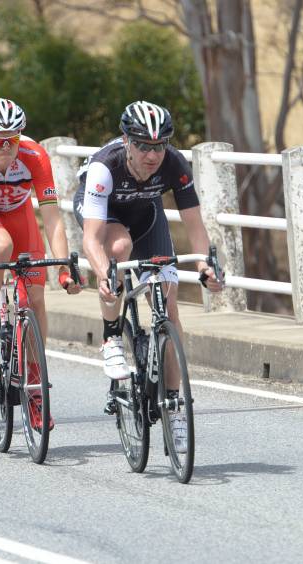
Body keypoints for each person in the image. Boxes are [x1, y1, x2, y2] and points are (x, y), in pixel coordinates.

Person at [75, 100, 224, 451]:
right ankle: (112, 337)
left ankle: (174, 407)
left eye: (160, 145)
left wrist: (205, 266)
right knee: (117, 249)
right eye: (143, 145)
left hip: (147, 216)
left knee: (169, 305)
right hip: (104, 215)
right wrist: (104, 275)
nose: (152, 155)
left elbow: (195, 226)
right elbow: (91, 240)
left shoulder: (174, 163)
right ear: (127, 141)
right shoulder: (104, 167)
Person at [0, 98, 82, 430]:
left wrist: (64, 269)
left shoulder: (35, 156)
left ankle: (36, 384)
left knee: (35, 298)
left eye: (13, 138)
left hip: (22, 218)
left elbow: (53, 219)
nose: (6, 147)